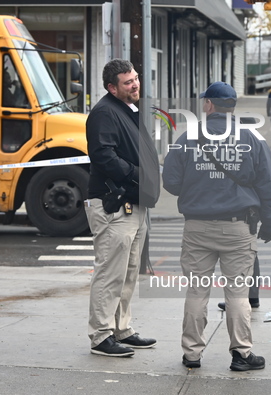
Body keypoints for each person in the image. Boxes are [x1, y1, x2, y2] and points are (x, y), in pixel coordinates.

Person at [163, 81, 271, 371]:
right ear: (233, 107)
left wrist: (198, 187)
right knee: (238, 293)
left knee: (197, 292)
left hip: (197, 227)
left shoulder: (187, 138)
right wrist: (269, 220)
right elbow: (267, 184)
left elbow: (171, 182)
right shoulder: (252, 139)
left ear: (209, 105)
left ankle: (191, 354)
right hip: (238, 227)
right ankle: (241, 354)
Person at [85, 58, 161, 357]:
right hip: (113, 204)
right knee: (110, 273)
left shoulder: (128, 109)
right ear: (112, 88)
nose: (135, 84)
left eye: (136, 78)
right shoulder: (104, 113)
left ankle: (121, 329)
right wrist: (135, 174)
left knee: (129, 273)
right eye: (128, 82)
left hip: (134, 204)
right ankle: (101, 335)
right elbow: (103, 156)